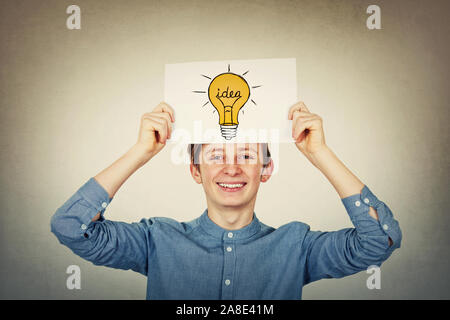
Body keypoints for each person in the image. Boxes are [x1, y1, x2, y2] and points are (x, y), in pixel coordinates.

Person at [51, 101, 402, 299]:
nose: (232, 169)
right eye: (216, 156)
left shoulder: (296, 245)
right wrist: (141, 152)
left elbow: (379, 242)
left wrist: (320, 152)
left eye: (248, 156)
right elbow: (70, 226)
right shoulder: (156, 239)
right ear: (195, 170)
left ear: (266, 169)